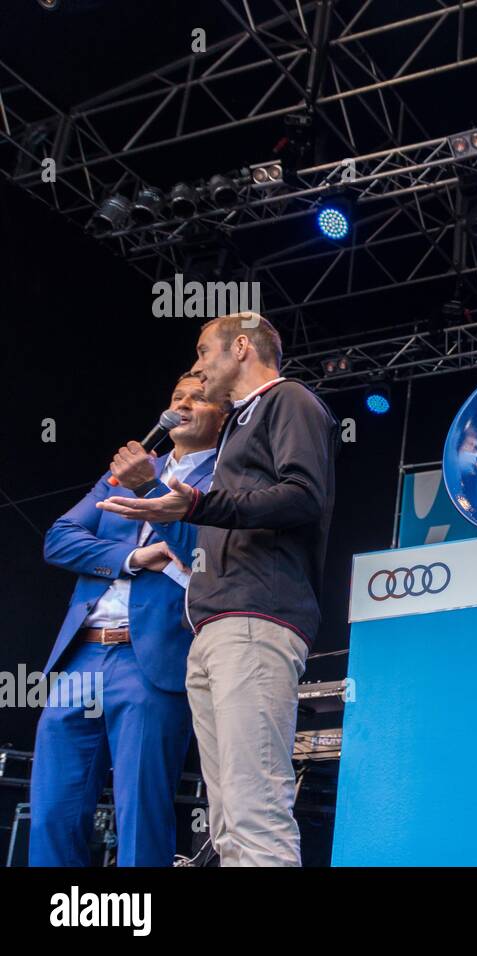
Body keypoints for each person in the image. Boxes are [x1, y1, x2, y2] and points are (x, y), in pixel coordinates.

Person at [97, 312, 339, 866]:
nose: (199, 367)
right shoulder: (234, 429)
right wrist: (168, 499)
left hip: (258, 617)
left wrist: (200, 504)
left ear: (242, 348)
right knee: (227, 820)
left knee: (254, 811)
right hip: (213, 624)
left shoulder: (290, 400)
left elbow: (303, 495)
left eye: (205, 352)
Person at [33, 372, 222, 866]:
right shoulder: (128, 470)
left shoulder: (224, 477)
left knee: (140, 810)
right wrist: (134, 558)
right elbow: (58, 539)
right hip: (84, 654)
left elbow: (204, 555)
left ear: (223, 415)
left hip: (152, 658)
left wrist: (152, 486)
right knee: (54, 809)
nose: (181, 406)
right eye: (176, 397)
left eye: (198, 399)